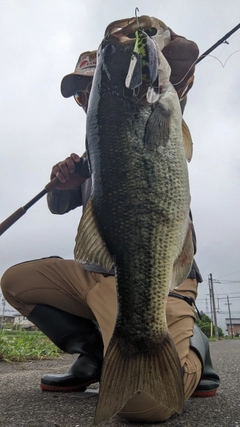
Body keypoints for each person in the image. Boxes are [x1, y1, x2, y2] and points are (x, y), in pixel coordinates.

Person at [1, 17, 220, 422]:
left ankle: (190, 355)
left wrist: (151, 34)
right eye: (79, 94)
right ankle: (98, 354)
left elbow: (184, 57)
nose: (84, 96)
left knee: (144, 408)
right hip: (96, 273)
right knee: (16, 281)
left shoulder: (156, 105)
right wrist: (61, 182)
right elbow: (57, 208)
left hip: (157, 276)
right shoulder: (91, 158)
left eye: (91, 84)